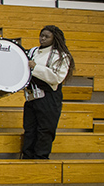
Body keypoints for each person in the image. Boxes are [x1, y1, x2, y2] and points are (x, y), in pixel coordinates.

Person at [21, 25, 75, 160]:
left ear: (54, 38)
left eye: (47, 37)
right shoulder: (33, 51)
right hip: (31, 98)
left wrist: (36, 68)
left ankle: (40, 160)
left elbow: (56, 78)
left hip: (48, 98)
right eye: (41, 35)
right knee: (29, 130)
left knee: (45, 130)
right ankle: (27, 159)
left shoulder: (61, 55)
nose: (43, 39)